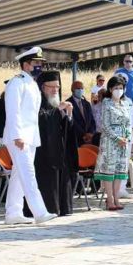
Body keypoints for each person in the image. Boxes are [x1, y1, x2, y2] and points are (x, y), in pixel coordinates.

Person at [3, 47, 57, 225]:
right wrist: (17, 135)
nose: (39, 66)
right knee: (28, 174)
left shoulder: (32, 83)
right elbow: (13, 111)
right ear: (26, 65)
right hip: (19, 137)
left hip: (30, 137)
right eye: (36, 63)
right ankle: (40, 212)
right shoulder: (16, 83)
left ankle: (13, 212)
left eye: (40, 63)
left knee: (19, 176)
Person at [24, 71, 78, 217]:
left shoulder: (56, 101)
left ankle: (62, 207)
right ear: (43, 87)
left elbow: (65, 126)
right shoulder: (37, 101)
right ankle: (46, 209)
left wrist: (69, 114)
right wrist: (57, 110)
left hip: (58, 149)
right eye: (52, 87)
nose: (55, 90)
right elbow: (40, 120)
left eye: (57, 87)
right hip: (43, 150)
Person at [94, 76, 131, 211]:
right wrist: (117, 138)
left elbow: (128, 123)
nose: (118, 90)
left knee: (119, 170)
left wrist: (126, 137)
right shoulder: (107, 103)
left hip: (123, 142)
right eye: (116, 88)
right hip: (110, 142)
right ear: (110, 89)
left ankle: (116, 198)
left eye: (121, 88)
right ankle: (109, 199)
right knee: (109, 171)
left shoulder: (125, 104)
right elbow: (105, 125)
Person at [67, 81, 96, 147]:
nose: (80, 90)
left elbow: (92, 121)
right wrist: (84, 135)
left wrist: (91, 133)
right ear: (72, 89)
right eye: (78, 88)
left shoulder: (87, 104)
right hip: (75, 141)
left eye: (82, 88)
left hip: (89, 140)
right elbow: (71, 122)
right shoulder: (68, 104)